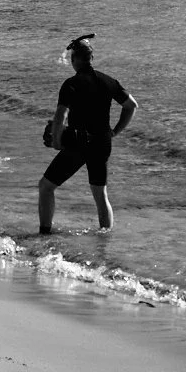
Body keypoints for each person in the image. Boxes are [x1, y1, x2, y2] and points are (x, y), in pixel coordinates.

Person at [38, 34, 139, 235]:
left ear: (74, 59)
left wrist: (57, 141)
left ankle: (44, 233)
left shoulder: (71, 84)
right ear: (91, 59)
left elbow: (61, 117)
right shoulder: (108, 81)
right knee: (100, 195)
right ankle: (104, 244)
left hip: (79, 143)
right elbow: (131, 106)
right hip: (102, 142)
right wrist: (115, 131)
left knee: (46, 186)